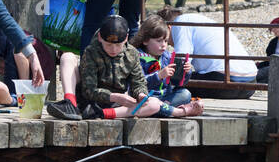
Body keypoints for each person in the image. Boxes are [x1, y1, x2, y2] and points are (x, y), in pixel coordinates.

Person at [45, 15, 203, 120]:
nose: (113, 50)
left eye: (118, 45)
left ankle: (102, 114)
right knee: (67, 57)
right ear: (100, 37)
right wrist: (115, 96)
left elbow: (138, 83)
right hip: (90, 99)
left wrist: (141, 94)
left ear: (126, 38)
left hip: (116, 105)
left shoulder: (132, 54)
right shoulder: (91, 52)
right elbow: (89, 90)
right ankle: (70, 104)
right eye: (108, 45)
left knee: (153, 103)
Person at [158, 6, 257, 99]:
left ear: (168, 27)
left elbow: (181, 62)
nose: (167, 44)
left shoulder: (179, 23)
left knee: (172, 83)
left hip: (224, 82)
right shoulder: (198, 20)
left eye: (163, 39)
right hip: (251, 84)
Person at [131, 14, 194, 108]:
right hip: (147, 98)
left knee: (185, 94)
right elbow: (137, 84)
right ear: (145, 40)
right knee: (141, 101)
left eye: (166, 41)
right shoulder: (138, 57)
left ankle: (160, 108)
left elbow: (177, 83)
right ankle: (162, 109)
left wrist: (185, 72)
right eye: (159, 41)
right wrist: (159, 75)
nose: (164, 45)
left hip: (165, 97)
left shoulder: (167, 57)